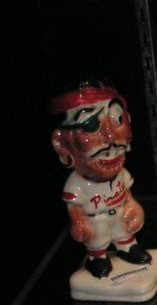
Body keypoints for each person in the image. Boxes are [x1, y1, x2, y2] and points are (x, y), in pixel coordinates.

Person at [49, 79, 151, 279]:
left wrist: (133, 205)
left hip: (118, 212)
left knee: (123, 232)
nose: (111, 137)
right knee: (97, 239)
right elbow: (74, 208)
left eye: (118, 119)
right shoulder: (78, 184)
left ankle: (127, 247)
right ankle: (97, 257)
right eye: (90, 125)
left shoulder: (121, 174)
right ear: (61, 143)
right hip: (96, 218)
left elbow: (126, 193)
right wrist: (78, 222)